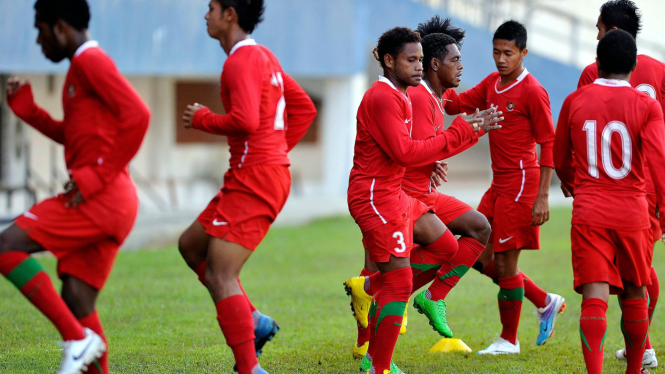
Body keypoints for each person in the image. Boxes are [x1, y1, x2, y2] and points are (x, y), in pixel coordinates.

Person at [1, 1, 151, 373]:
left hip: (101, 198)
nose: (38, 42)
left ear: (62, 28)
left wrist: (97, 175)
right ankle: (81, 338)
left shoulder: (90, 61)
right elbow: (76, 137)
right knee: (77, 298)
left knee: (5, 246)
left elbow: (139, 115)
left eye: (40, 31)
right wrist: (29, 112)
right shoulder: (79, 70)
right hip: (110, 199)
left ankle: (77, 339)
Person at [346, 17, 500, 370]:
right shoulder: (388, 97)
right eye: (411, 60)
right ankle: (377, 362)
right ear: (388, 61)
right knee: (398, 280)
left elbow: (411, 149)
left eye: (419, 60)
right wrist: (462, 132)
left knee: (446, 247)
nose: (418, 66)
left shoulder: (402, 96)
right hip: (378, 195)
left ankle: (369, 293)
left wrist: (438, 154)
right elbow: (404, 152)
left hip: (395, 194)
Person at [176, 1, 317, 373]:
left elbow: (245, 119)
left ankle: (249, 368)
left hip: (255, 177)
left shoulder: (239, 61)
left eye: (211, 8)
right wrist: (274, 152)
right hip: (253, 173)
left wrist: (203, 119)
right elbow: (304, 109)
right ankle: (254, 320)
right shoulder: (264, 57)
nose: (205, 15)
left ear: (230, 15)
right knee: (191, 245)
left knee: (219, 275)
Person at [445, 20, 564, 354]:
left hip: (522, 186)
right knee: (475, 252)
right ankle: (544, 300)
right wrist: (431, 81)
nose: (500, 59)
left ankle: (509, 340)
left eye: (508, 53)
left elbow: (548, 142)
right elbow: (456, 104)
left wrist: (543, 196)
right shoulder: (491, 84)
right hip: (498, 185)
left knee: (504, 265)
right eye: (496, 52)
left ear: (523, 53)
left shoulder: (533, 91)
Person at [554, 29, 665, 374]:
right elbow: (659, 161)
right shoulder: (647, 105)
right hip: (633, 211)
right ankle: (635, 370)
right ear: (633, 65)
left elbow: (561, 158)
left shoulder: (575, 100)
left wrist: (575, 185)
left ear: (597, 63)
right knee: (635, 293)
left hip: (590, 210)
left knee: (595, 296)